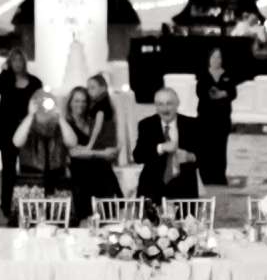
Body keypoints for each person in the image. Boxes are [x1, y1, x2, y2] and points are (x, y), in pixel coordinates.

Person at [0, 46, 44, 218]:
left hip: (28, 130)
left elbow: (40, 102)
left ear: (24, 62)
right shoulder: (5, 79)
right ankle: (6, 207)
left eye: (20, 60)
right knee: (9, 170)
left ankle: (29, 206)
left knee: (30, 168)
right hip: (7, 131)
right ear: (10, 62)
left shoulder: (35, 82)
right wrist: (4, 73)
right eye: (14, 60)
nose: (18, 63)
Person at [132, 85, 200, 209]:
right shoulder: (146, 125)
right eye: (160, 104)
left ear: (177, 104)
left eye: (169, 103)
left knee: (186, 228)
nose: (165, 109)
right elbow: (138, 156)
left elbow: (209, 156)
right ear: (155, 106)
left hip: (184, 190)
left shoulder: (192, 125)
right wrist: (161, 148)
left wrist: (191, 157)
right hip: (152, 189)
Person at [62, 83, 121, 226]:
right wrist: (102, 154)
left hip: (100, 169)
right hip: (80, 170)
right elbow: (74, 152)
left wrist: (112, 150)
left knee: (105, 171)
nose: (80, 104)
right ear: (70, 103)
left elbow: (106, 140)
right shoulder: (65, 123)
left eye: (84, 101)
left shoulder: (92, 121)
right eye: (76, 100)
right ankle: (86, 220)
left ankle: (109, 218)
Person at [11, 87, 71, 204]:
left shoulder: (59, 126)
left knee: (58, 219)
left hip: (58, 183)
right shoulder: (27, 125)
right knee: (29, 219)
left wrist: (59, 117)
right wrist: (30, 115)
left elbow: (72, 142)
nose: (43, 105)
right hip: (30, 184)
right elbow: (17, 142)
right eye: (40, 101)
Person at [194, 48, 237, 186]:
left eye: (219, 57)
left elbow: (233, 92)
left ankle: (219, 176)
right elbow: (200, 92)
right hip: (205, 119)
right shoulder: (203, 74)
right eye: (214, 57)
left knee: (220, 148)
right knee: (205, 148)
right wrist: (214, 94)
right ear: (209, 59)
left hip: (222, 119)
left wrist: (223, 94)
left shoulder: (228, 74)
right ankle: (205, 177)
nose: (216, 60)